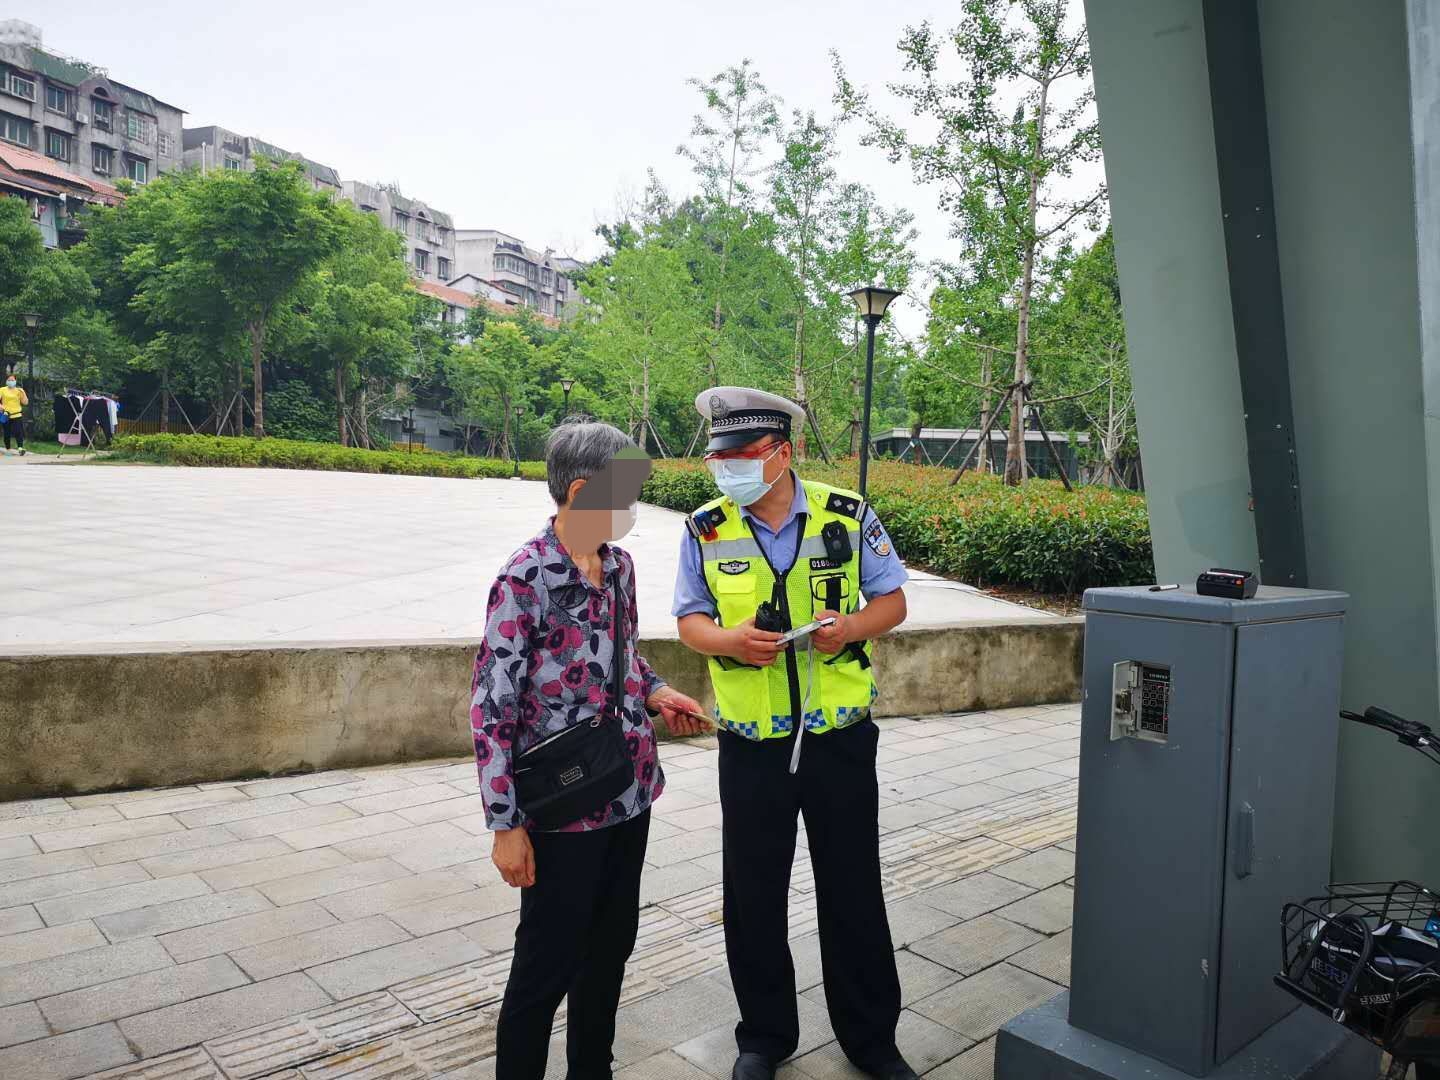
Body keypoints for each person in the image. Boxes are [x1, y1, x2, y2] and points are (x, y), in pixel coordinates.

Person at [673, 387, 918, 1080]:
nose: (728, 468)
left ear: (784, 453)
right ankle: (764, 1038)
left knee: (853, 890)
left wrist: (852, 627)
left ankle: (871, 1041)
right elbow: (690, 621)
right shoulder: (705, 528)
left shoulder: (847, 514)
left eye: (743, 455)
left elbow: (894, 600)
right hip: (752, 743)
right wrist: (730, 640)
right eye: (719, 457)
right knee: (752, 895)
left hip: (838, 738)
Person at [472, 418, 707, 1080]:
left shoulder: (618, 566)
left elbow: (626, 657)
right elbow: (491, 705)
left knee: (609, 951)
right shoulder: (525, 578)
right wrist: (504, 824)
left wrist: (658, 692)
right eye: (624, 492)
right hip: (563, 806)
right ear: (581, 491)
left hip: (629, 791)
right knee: (545, 966)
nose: (632, 506)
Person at [1, 373, 28, 456]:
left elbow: (25, 402)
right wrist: (1, 407)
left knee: (18, 432)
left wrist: (23, 392)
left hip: (17, 415)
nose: (11, 381)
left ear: (15, 381)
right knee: (7, 433)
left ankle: (20, 448)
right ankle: (8, 449)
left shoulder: (19, 391)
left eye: (12, 380)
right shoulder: (2, 390)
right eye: (9, 380)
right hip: (6, 415)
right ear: (6, 381)